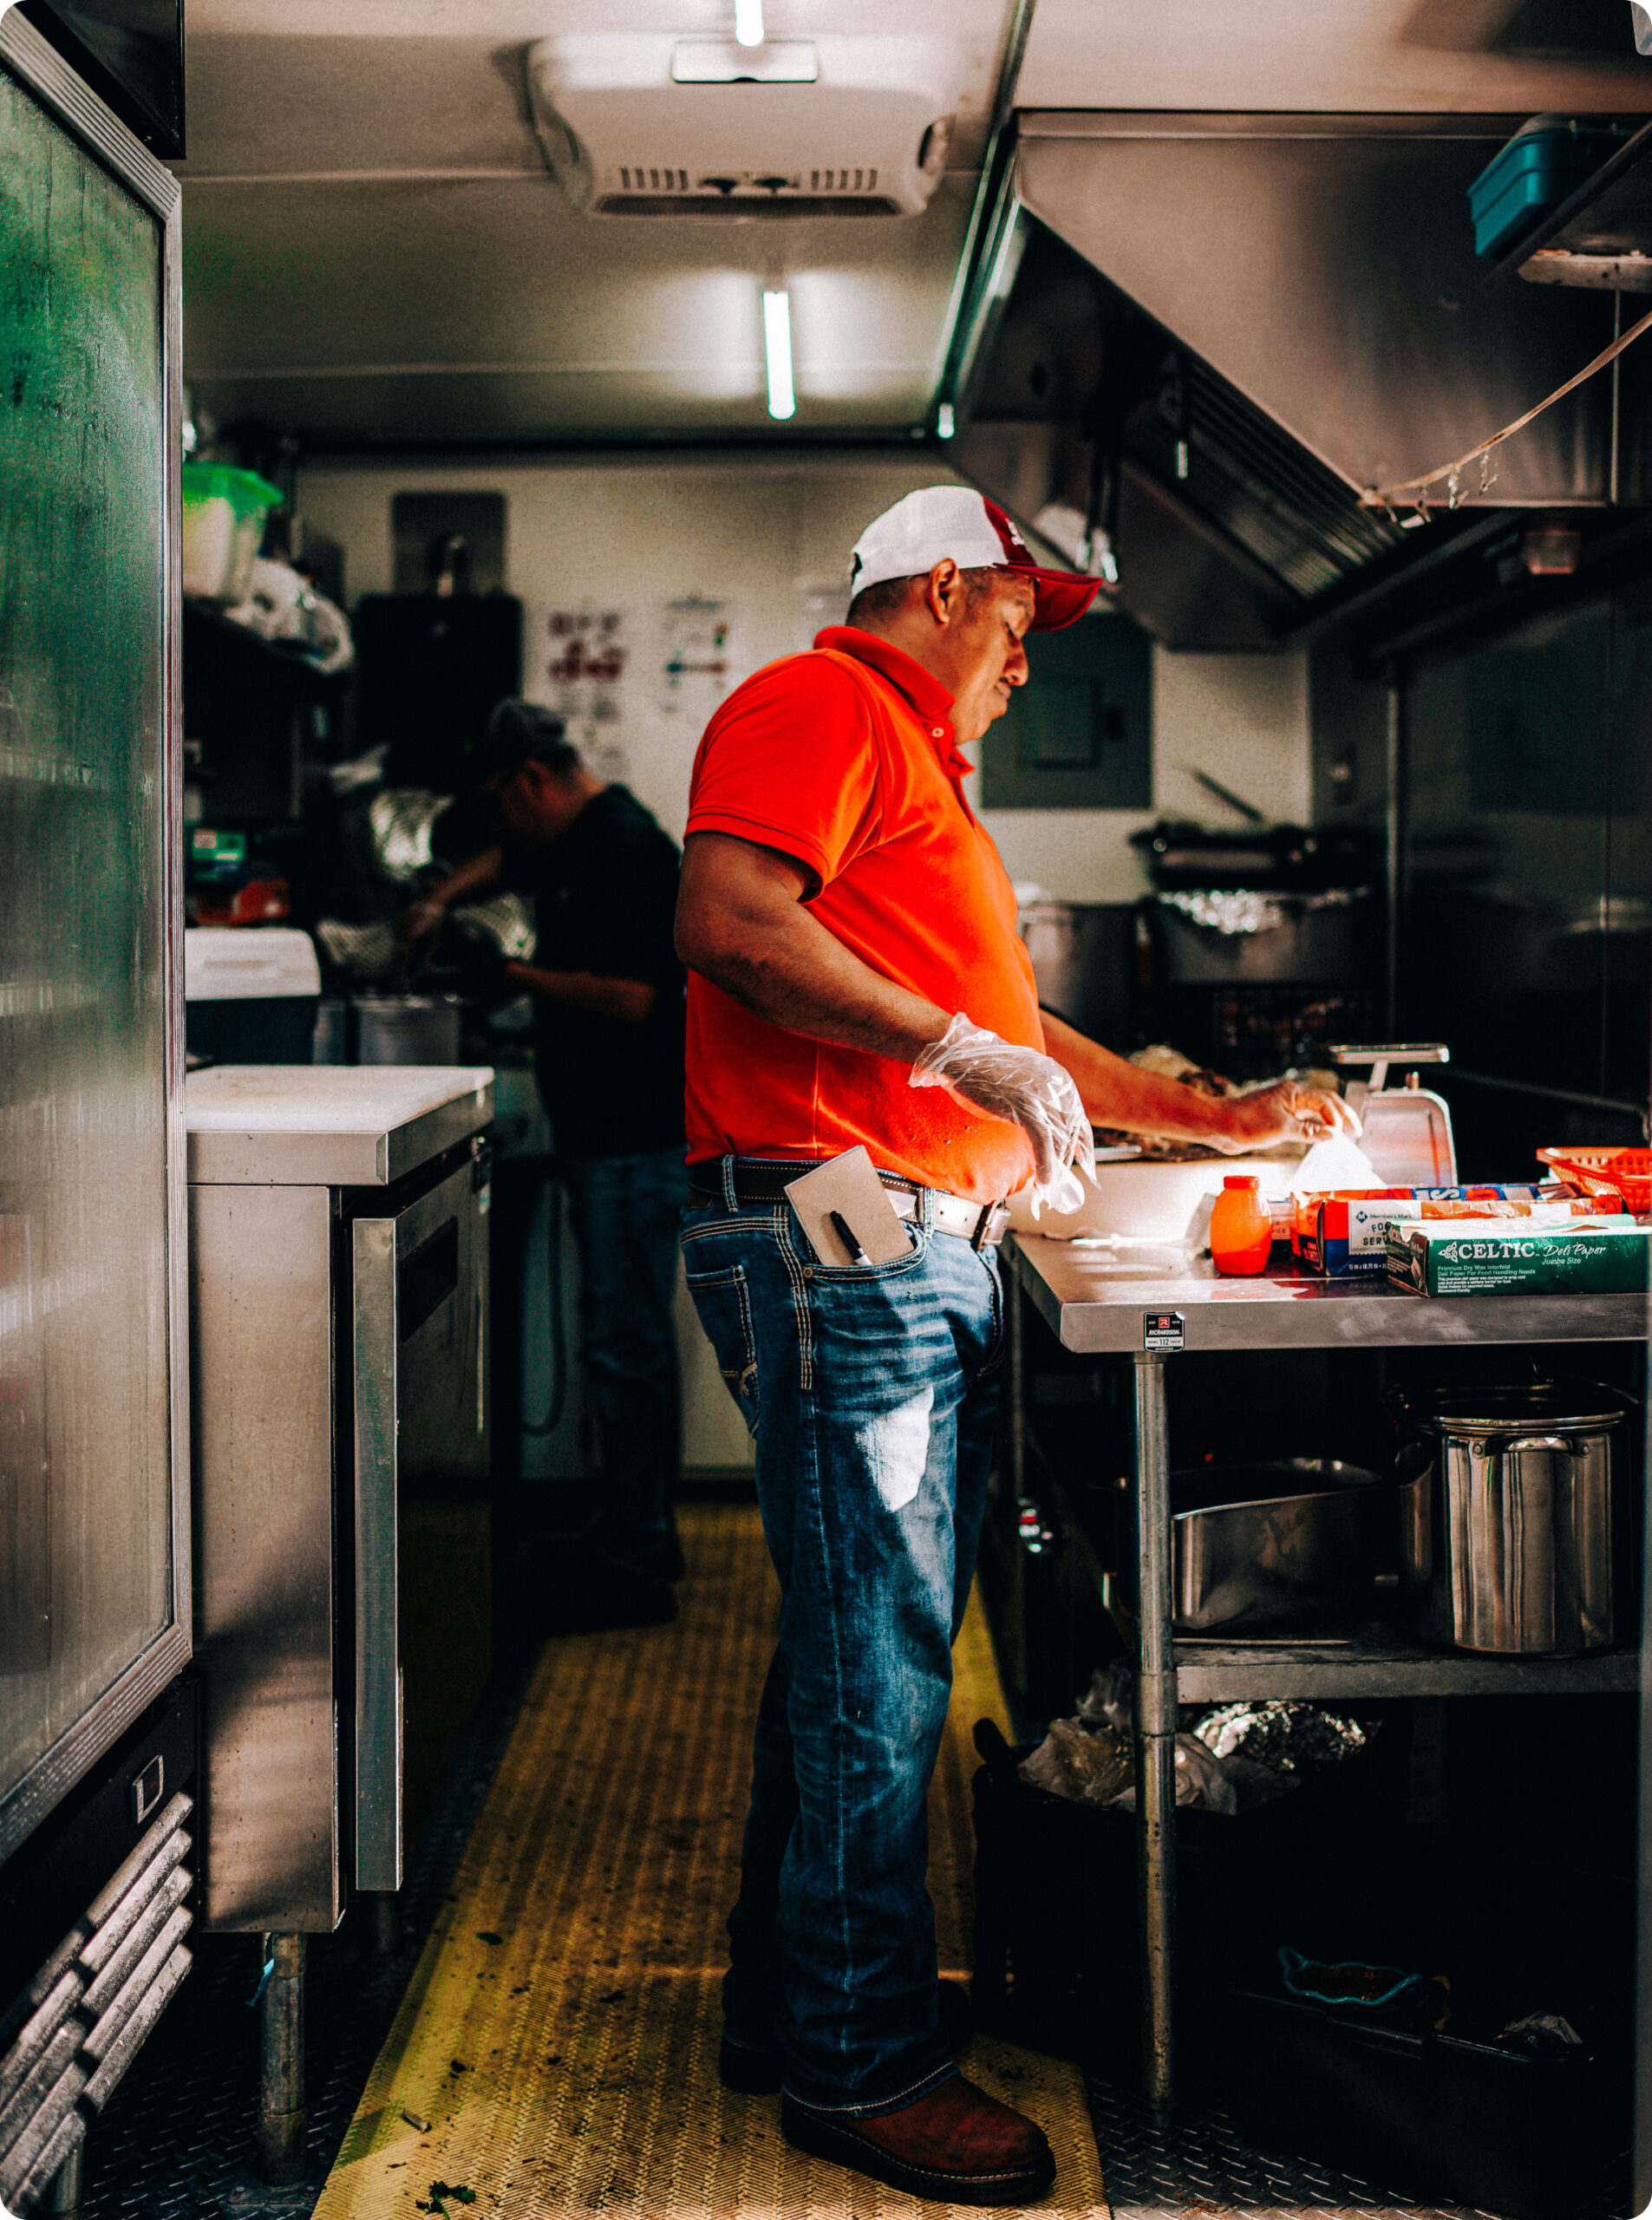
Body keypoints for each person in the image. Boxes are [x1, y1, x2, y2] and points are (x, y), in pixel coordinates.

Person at [673, 486, 1358, 2204]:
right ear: (940, 586)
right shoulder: (825, 702)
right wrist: (965, 1061)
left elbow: (1011, 1030)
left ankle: (789, 2003)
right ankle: (860, 2062)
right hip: (848, 1230)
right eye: (1019, 623)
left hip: (895, 1236)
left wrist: (1206, 1114)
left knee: (850, 1644)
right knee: (880, 1659)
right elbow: (733, 924)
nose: (1027, 664)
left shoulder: (918, 775)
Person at [403, 700, 689, 1631]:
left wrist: (511, 978)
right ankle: (636, 1535)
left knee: (626, 1347)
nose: (500, 831)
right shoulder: (571, 839)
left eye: (498, 804)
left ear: (531, 781)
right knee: (619, 1341)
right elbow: (508, 862)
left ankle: (636, 1559)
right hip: (605, 1134)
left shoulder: (625, 850)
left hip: (633, 1139)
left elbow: (639, 999)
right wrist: (439, 901)